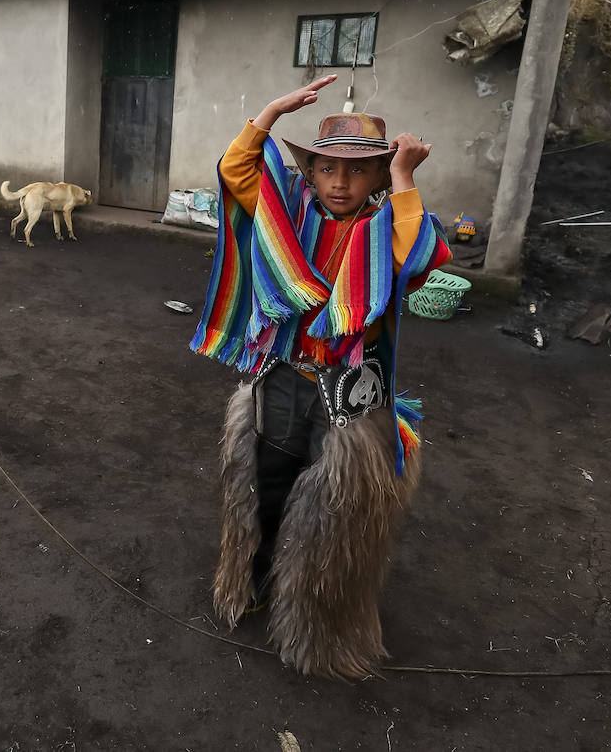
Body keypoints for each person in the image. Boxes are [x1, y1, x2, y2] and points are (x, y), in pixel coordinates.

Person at [190, 74, 451, 679]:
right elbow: (237, 172)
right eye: (328, 168)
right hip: (285, 379)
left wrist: (408, 178)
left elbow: (420, 255)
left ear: (378, 177)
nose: (340, 182)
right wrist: (271, 113)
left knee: (335, 515)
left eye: (358, 171)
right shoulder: (288, 219)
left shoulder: (387, 231)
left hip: (352, 397)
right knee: (266, 486)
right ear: (310, 172)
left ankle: (315, 621)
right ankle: (253, 584)